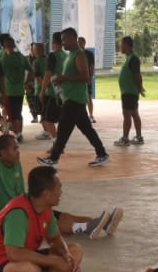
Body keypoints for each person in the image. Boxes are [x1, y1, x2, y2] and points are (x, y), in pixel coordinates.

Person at [0, 134, 121, 237]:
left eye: (18, 148)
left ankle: (102, 223)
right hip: (10, 216)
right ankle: (87, 227)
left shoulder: (16, 164)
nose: (18, 151)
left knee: (63, 216)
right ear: (3, 152)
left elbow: (21, 192)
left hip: (25, 206)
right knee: (51, 224)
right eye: (14, 149)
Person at [0, 165, 83, 272]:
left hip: (24, 257)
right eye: (59, 188)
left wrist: (66, 254)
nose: (61, 192)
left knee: (75, 251)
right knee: (30, 270)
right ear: (47, 194)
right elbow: (14, 254)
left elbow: (55, 238)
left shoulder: (46, 208)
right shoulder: (18, 213)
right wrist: (54, 262)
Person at [38, 28, 109, 168]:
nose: (62, 42)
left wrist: (64, 78)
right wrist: (62, 80)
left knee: (63, 129)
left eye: (64, 39)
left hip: (74, 99)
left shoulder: (79, 55)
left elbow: (86, 77)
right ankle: (102, 154)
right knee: (87, 129)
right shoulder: (70, 55)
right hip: (72, 98)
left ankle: (53, 158)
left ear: (72, 38)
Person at [0, 34, 33, 140]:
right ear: (14, 45)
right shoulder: (21, 57)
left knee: (9, 114)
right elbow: (31, 70)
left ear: (4, 46)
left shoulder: (3, 59)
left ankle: (14, 133)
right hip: (19, 90)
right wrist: (27, 82)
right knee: (18, 113)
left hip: (7, 91)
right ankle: (19, 133)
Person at [115, 35, 146, 147]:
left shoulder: (133, 59)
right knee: (134, 113)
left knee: (127, 114)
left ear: (127, 45)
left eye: (121, 45)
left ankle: (125, 138)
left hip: (130, 92)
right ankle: (138, 137)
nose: (120, 47)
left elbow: (137, 75)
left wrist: (140, 87)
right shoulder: (129, 58)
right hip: (128, 92)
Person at [38, 32, 65, 142]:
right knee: (59, 119)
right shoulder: (65, 56)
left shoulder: (53, 56)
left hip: (53, 93)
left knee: (47, 119)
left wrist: (42, 91)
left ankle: (56, 142)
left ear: (53, 42)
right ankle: (58, 141)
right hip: (63, 92)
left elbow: (48, 74)